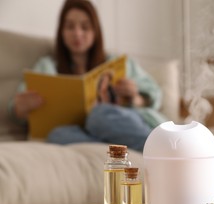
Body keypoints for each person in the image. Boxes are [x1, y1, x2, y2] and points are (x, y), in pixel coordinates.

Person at [8, 0, 167, 152]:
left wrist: (135, 98)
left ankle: (158, 149)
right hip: (80, 132)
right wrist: (20, 108)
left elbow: (155, 95)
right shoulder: (47, 66)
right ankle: (116, 153)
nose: (77, 33)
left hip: (120, 124)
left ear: (95, 31)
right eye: (70, 26)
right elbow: (15, 110)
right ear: (61, 31)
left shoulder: (118, 63)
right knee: (57, 135)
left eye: (85, 27)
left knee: (98, 116)